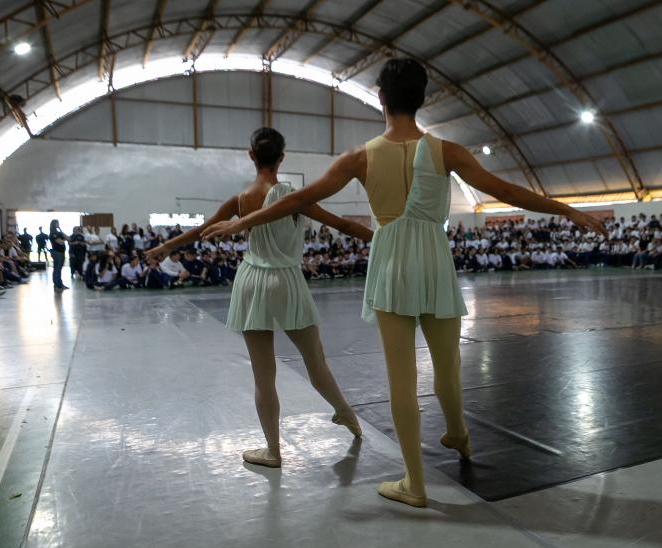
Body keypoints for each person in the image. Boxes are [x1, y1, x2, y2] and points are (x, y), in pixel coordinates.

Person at [201, 59, 605, 507]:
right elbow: (505, 191)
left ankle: (414, 483)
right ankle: (458, 432)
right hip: (434, 261)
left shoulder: (359, 157)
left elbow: (299, 199)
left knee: (401, 379)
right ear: (423, 98)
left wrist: (241, 225)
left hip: (391, 266)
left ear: (380, 98)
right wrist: (566, 209)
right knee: (448, 367)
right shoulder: (447, 151)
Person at [149, 127, 370, 469]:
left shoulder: (241, 200)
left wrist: (166, 246)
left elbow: (201, 230)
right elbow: (345, 226)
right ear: (282, 157)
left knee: (263, 375)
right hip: (287, 280)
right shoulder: (294, 197)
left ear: (251, 156)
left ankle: (273, 450)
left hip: (252, 281)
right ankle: (345, 414)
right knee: (316, 362)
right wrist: (386, 237)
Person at [48, 220, 69, 291]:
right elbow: (60, 242)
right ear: (54, 224)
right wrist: (64, 240)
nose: (58, 224)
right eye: (57, 223)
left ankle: (60, 284)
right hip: (57, 253)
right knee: (57, 269)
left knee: (59, 269)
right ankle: (56, 285)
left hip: (61, 252)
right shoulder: (53, 233)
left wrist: (61, 231)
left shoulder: (59, 232)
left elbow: (68, 238)